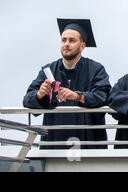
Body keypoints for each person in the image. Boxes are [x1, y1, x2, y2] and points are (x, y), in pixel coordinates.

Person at [23, 18, 111, 149]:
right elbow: (27, 100)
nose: (66, 44)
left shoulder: (96, 69)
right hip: (54, 139)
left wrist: (78, 96)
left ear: (82, 46)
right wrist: (40, 94)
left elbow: (104, 97)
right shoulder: (48, 70)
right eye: (64, 40)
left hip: (87, 140)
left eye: (72, 40)